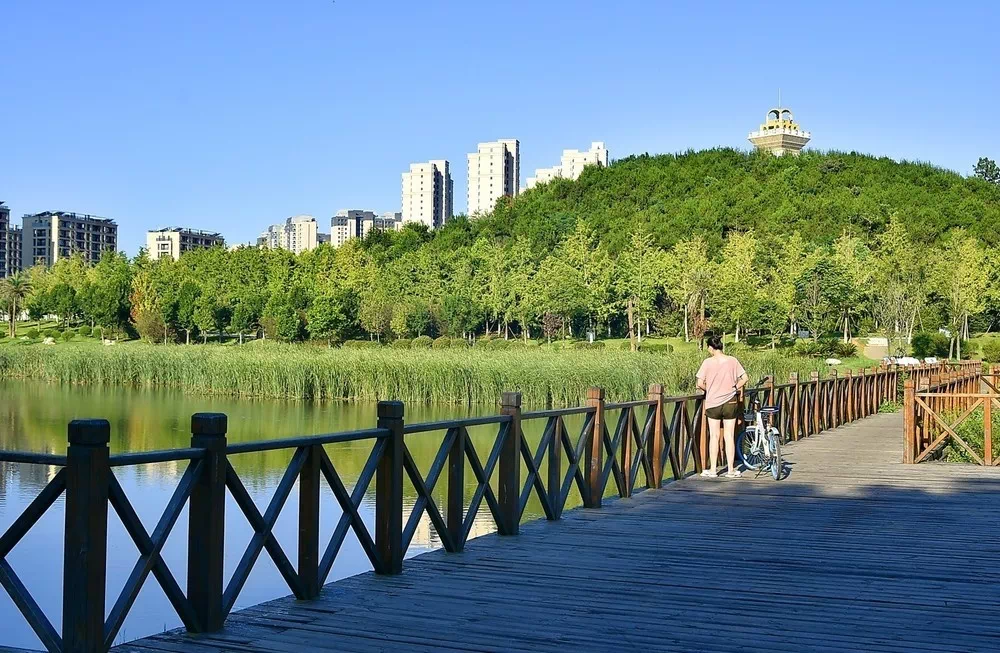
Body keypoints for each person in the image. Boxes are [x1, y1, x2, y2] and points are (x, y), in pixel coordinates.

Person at [696, 335, 748, 478]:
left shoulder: (707, 362)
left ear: (710, 348)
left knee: (714, 436)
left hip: (713, 402)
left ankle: (713, 470)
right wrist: (735, 387)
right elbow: (745, 378)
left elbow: (699, 383)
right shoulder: (732, 360)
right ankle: (731, 470)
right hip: (730, 401)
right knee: (729, 435)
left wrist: (710, 389)